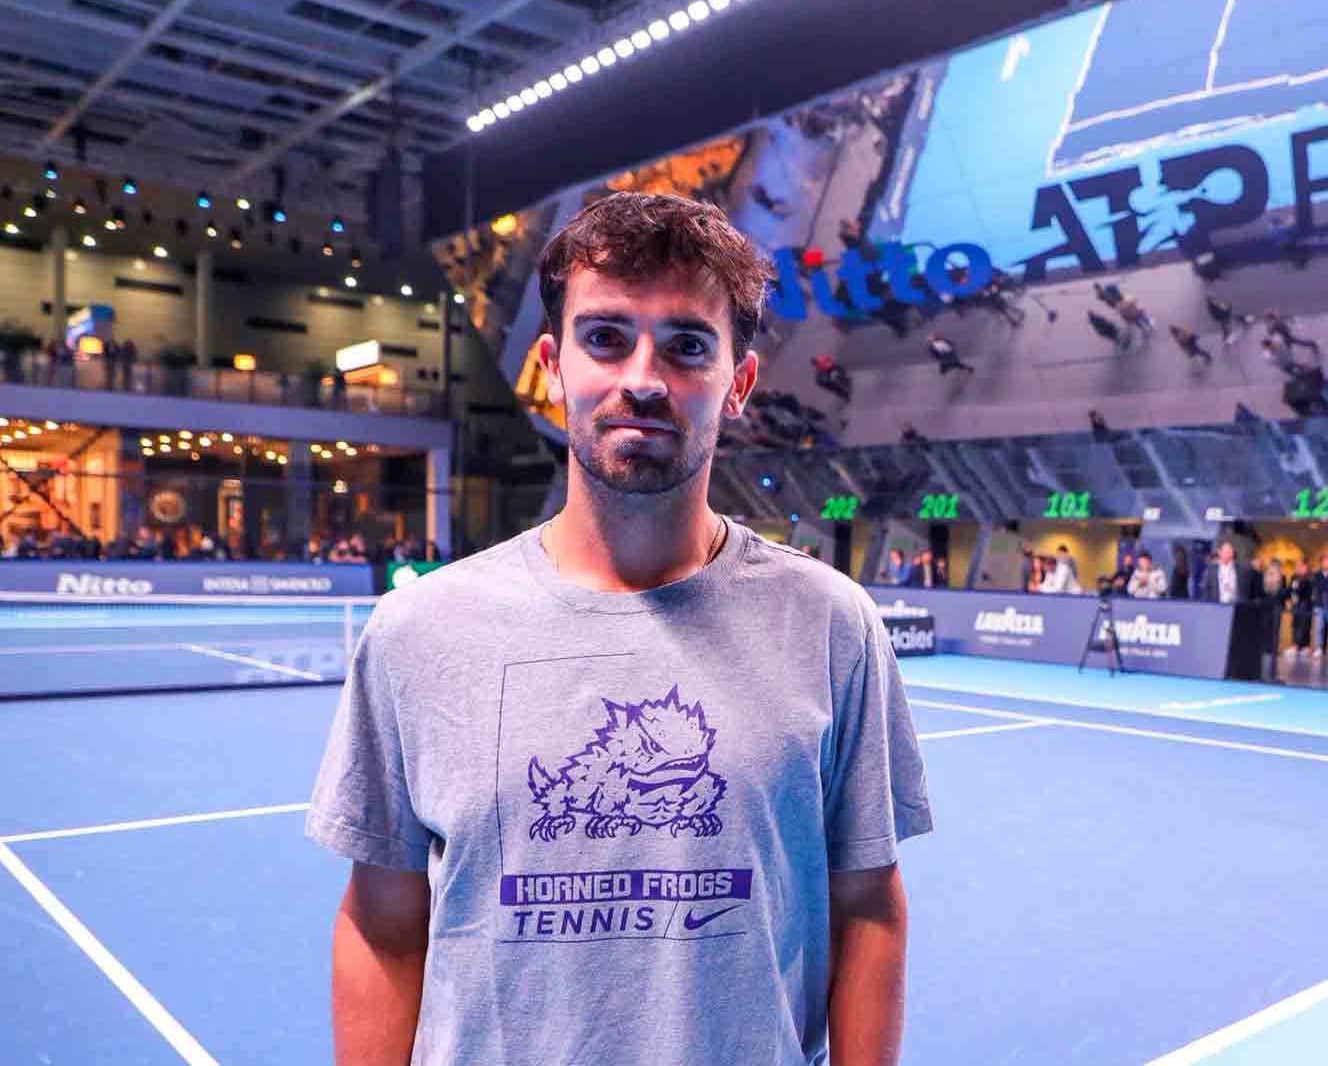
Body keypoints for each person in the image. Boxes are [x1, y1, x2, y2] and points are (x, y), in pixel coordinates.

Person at [307, 193, 929, 1066]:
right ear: (552, 368)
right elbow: (383, 922)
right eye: (606, 338)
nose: (644, 376)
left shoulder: (831, 624)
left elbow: (865, 903)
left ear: (739, 383)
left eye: (686, 346)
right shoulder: (418, 629)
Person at [1258, 559, 1287, 680]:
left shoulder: (1282, 578)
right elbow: (1263, 592)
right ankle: (1266, 668)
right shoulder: (1264, 576)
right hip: (1266, 610)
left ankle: (1271, 669)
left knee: (1274, 637)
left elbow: (1283, 594)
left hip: (1276, 611)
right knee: (1267, 637)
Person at [1286, 561, 1314, 659]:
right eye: (1298, 567)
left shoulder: (1310, 578)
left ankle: (1301, 647)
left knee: (1304, 627)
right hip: (1296, 606)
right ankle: (1296, 646)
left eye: (1302, 567)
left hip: (1305, 606)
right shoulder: (1294, 577)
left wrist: (1298, 588)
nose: (1300, 569)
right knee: (1295, 626)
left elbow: (1307, 591)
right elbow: (1290, 589)